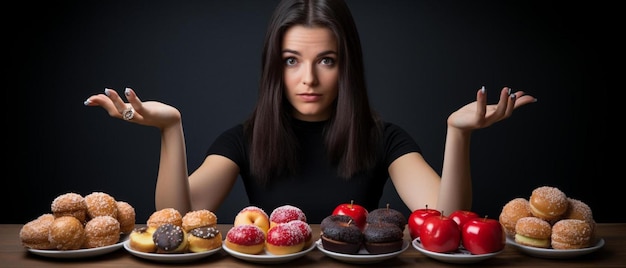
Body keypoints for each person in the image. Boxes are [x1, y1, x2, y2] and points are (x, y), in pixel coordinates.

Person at [83, 0, 536, 223]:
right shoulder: (243, 137)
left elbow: (446, 217)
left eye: (327, 60)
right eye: (291, 60)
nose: (309, 80)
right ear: (273, 67)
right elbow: (178, 217)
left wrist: (458, 134)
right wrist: (170, 128)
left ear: (347, 66)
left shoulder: (384, 138)